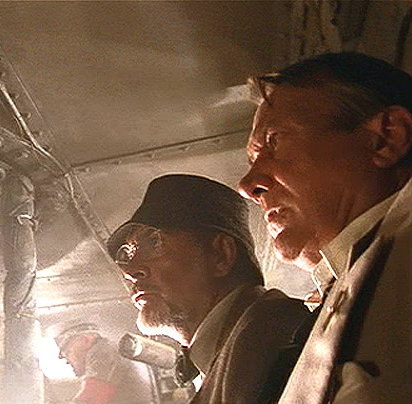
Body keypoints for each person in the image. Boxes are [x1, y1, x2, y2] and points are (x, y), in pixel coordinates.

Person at [239, 52, 412, 404]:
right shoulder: (358, 275)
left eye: (275, 142)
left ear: (386, 139)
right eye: (253, 159)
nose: (247, 185)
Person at [107, 174, 311, 404]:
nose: (130, 271)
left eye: (154, 242)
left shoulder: (274, 340)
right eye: (128, 254)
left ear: (220, 255)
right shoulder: (238, 350)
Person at [47, 321, 152, 404]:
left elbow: (92, 398)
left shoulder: (103, 352)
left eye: (68, 352)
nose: (67, 361)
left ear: (85, 340)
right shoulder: (108, 349)